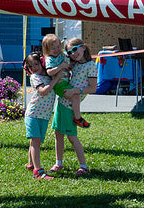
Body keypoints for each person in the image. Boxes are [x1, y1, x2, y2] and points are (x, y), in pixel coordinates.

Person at [49, 37, 97, 177]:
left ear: (83, 47)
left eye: (75, 49)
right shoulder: (73, 64)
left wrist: (75, 91)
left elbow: (93, 88)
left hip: (70, 106)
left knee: (71, 137)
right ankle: (59, 163)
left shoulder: (90, 66)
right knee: (58, 134)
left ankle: (83, 166)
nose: (73, 53)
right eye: (70, 52)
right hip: (62, 102)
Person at [23, 52, 62, 180]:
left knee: (35, 141)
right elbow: (44, 91)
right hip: (33, 114)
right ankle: (38, 171)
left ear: (42, 64)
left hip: (44, 116)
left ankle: (30, 164)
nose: (34, 68)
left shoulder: (47, 76)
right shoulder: (35, 78)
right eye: (30, 66)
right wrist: (56, 79)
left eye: (36, 64)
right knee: (36, 141)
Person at [41, 33, 89, 128]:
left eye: (58, 47)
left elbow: (68, 62)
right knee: (75, 97)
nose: (57, 50)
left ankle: (76, 115)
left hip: (64, 82)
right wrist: (61, 67)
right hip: (59, 85)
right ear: (47, 50)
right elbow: (50, 72)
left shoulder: (61, 55)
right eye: (53, 48)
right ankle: (78, 118)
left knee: (75, 97)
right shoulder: (50, 59)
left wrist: (68, 68)